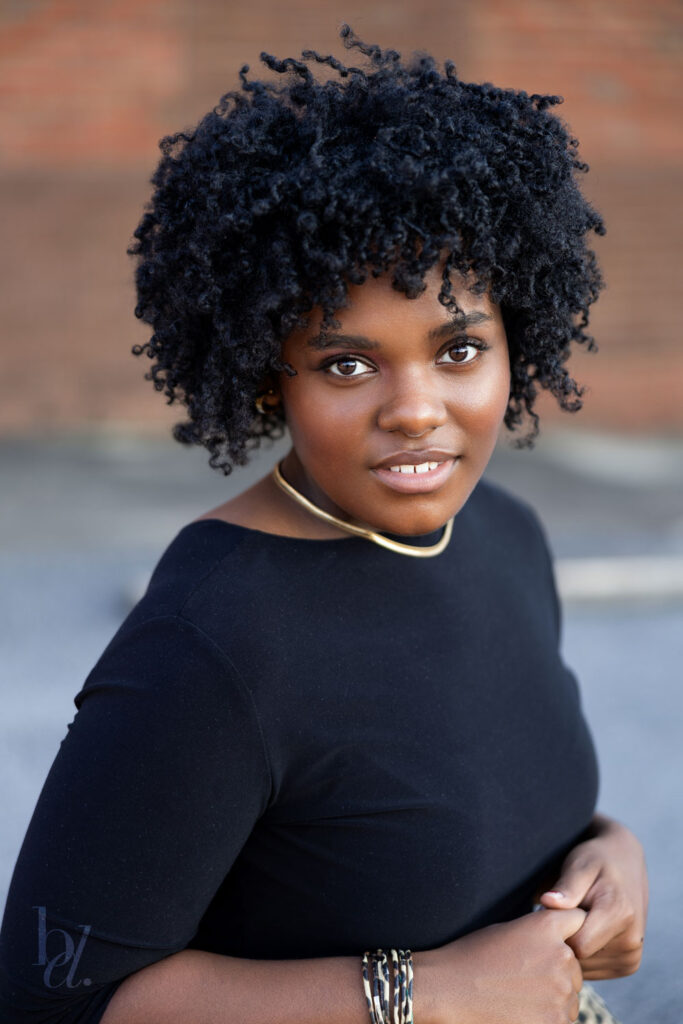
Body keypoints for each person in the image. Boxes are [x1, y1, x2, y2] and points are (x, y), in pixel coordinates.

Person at [0, 25, 648, 1024]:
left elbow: (465, 798)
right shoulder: (212, 641)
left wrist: (606, 854)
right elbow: (50, 995)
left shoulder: (505, 538)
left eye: (458, 349)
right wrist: (419, 995)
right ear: (269, 377)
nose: (415, 408)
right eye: (347, 363)